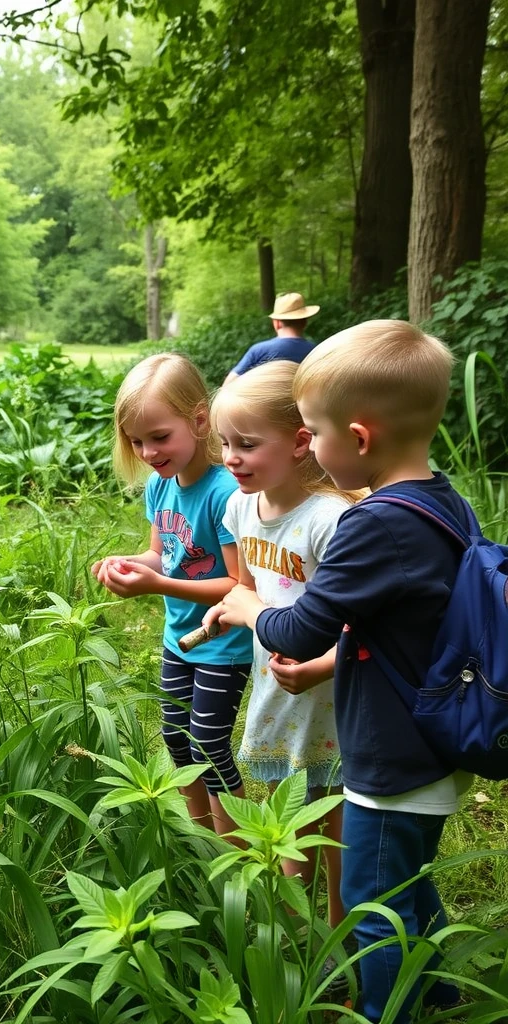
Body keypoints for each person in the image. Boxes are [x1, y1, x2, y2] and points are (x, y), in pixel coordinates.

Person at [205, 320, 472, 1023]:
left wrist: (245, 602)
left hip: (390, 754)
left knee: (372, 902)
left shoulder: (373, 524)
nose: (312, 447)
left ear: (357, 439)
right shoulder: (443, 501)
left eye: (315, 432)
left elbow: (297, 627)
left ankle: (385, 1009)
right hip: (434, 732)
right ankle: (438, 990)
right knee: (409, 881)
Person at [211, 360, 355, 927]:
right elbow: (249, 586)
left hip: (332, 693)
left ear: (300, 443)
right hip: (276, 686)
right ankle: (300, 935)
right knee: (287, 819)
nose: (230, 457)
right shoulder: (240, 507)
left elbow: (356, 619)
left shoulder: (330, 519)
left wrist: (320, 666)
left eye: (247, 443)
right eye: (223, 443)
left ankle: (343, 938)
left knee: (338, 827)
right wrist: (232, 609)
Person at [91, 353, 252, 838]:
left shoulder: (226, 492)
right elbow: (162, 555)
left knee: (208, 743)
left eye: (160, 437)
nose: (148, 452)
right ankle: (199, 838)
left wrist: (157, 583)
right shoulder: (160, 488)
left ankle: (236, 848)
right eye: (137, 441)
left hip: (222, 640)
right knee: (177, 741)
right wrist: (130, 564)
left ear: (200, 420)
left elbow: (235, 585)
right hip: (177, 636)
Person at [225, 292, 319, 382]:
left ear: (277, 323)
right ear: (305, 323)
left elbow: (230, 383)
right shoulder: (316, 352)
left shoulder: (258, 351)